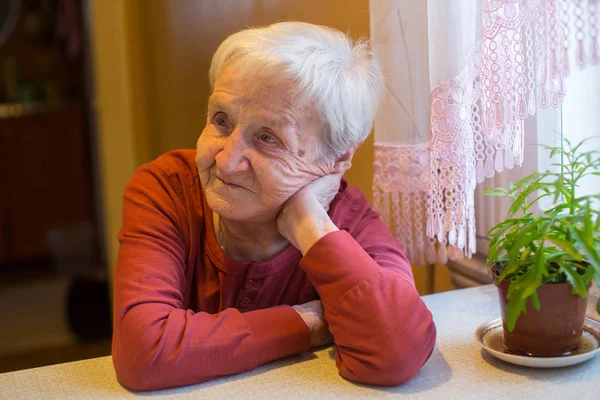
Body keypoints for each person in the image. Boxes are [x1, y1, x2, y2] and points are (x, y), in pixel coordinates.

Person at [112, 21, 436, 391]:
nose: (226, 161)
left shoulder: (349, 224)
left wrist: (310, 225)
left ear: (337, 158)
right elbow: (144, 352)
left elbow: (399, 350)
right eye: (221, 120)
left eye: (267, 138)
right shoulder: (166, 189)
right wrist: (306, 324)